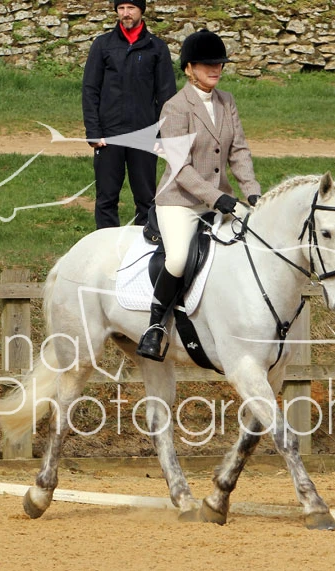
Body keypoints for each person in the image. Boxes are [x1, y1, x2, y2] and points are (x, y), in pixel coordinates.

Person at [136, 29, 262, 362]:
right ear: (189, 68)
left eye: (219, 63)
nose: (216, 69)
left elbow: (238, 151)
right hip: (180, 201)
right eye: (208, 64)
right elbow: (180, 167)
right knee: (178, 258)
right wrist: (216, 198)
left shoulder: (227, 101)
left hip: (221, 200)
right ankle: (155, 326)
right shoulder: (175, 107)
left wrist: (252, 193)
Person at [82, 0, 177, 229]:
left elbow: (166, 96)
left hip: (144, 135)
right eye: (121, 8)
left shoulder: (157, 47)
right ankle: (106, 245)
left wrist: (162, 136)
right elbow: (90, 90)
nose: (126, 13)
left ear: (141, 10)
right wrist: (93, 131)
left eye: (131, 8)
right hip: (109, 134)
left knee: (146, 198)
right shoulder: (102, 45)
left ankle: (144, 245)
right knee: (106, 198)